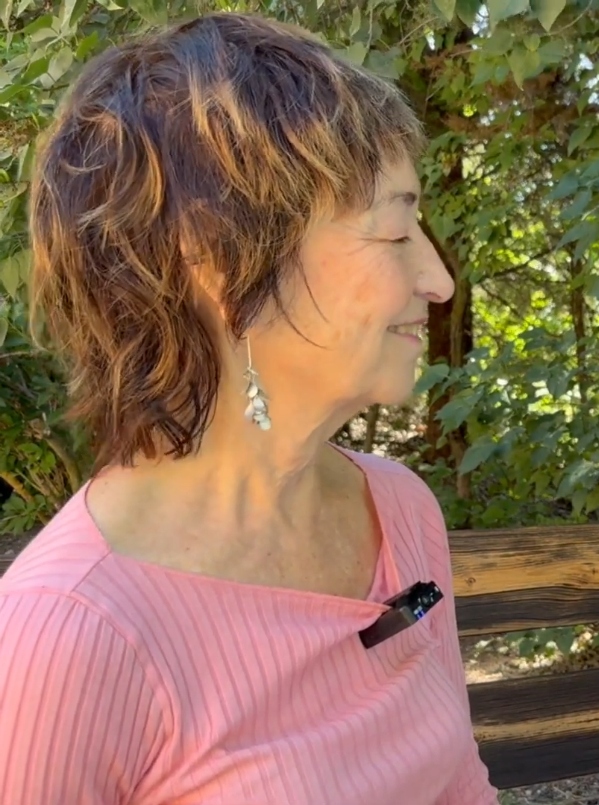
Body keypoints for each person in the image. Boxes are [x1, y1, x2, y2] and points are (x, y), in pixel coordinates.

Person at [0, 13, 498, 805]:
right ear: (224, 262)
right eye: (397, 229)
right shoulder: (66, 634)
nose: (438, 281)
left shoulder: (402, 511)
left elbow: (462, 788)